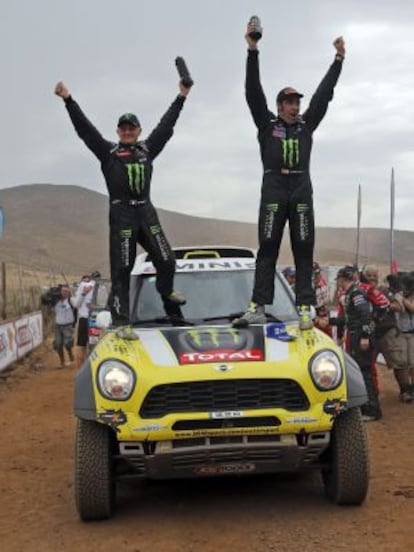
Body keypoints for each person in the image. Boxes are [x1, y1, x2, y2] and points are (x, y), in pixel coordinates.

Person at [54, 74, 193, 324]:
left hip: (146, 212)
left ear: (138, 131)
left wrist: (181, 96)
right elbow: (85, 130)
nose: (128, 131)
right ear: (118, 131)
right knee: (122, 270)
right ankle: (121, 321)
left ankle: (166, 291)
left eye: (132, 128)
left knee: (166, 258)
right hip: (122, 216)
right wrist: (68, 100)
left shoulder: (147, 150)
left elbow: (166, 126)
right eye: (124, 128)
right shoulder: (108, 153)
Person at [233, 19, 345, 329]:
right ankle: (257, 306)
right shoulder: (267, 125)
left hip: (301, 187)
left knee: (303, 247)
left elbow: (323, 95)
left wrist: (338, 61)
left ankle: (305, 308)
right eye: (290, 102)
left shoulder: (307, 125)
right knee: (267, 247)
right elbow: (252, 92)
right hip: (274, 185)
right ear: (280, 105)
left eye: (297, 102)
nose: (295, 106)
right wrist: (252, 49)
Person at [334, 266, 382, 421]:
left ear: (342, 279)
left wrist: (365, 336)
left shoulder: (355, 293)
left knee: (365, 372)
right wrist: (329, 320)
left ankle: (372, 410)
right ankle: (365, 406)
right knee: (360, 370)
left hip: (360, 337)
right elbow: (348, 319)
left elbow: (365, 315)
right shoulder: (350, 293)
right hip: (354, 335)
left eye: (339, 280)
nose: (338, 283)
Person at [396, 273, 414, 401]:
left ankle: (412, 389)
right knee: (402, 364)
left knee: (412, 363)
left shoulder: (403, 297)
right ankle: (405, 389)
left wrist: (404, 300)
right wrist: (401, 298)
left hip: (412, 333)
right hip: (401, 333)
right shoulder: (398, 295)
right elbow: (400, 309)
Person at [71, 274, 94, 368]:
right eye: (84, 281)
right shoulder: (80, 290)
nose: (86, 283)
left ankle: (93, 363)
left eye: (88, 281)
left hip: (95, 318)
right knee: (81, 343)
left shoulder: (98, 288)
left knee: (94, 342)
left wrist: (94, 306)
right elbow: (76, 304)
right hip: (84, 318)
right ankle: (81, 366)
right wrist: (83, 293)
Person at [53, 285, 75, 368]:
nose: (64, 293)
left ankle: (70, 354)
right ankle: (62, 362)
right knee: (58, 344)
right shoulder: (56, 302)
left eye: (66, 291)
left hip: (68, 326)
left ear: (69, 292)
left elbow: (77, 305)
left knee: (67, 343)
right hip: (58, 325)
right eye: (63, 291)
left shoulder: (71, 301)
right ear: (60, 292)